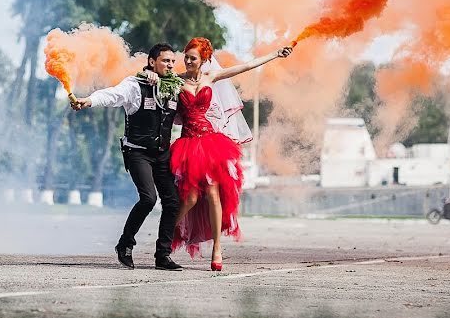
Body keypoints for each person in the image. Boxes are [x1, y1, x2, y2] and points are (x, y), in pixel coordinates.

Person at [167, 37, 292, 270]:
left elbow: (245, 66)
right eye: (185, 57)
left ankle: (217, 249)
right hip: (187, 144)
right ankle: (165, 236)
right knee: (191, 198)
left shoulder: (211, 77)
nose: (187, 61)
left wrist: (275, 54)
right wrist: (149, 72)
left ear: (204, 60)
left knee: (214, 194)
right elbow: (150, 77)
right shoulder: (175, 80)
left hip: (209, 143)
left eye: (192, 58)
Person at [72, 44, 184, 271]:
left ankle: (162, 256)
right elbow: (111, 95)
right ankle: (125, 244)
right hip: (137, 152)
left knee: (172, 202)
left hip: (162, 153)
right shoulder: (135, 85)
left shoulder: (175, 87)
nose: (170, 65)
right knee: (148, 199)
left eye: (172, 61)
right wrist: (88, 100)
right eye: (165, 61)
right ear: (152, 62)